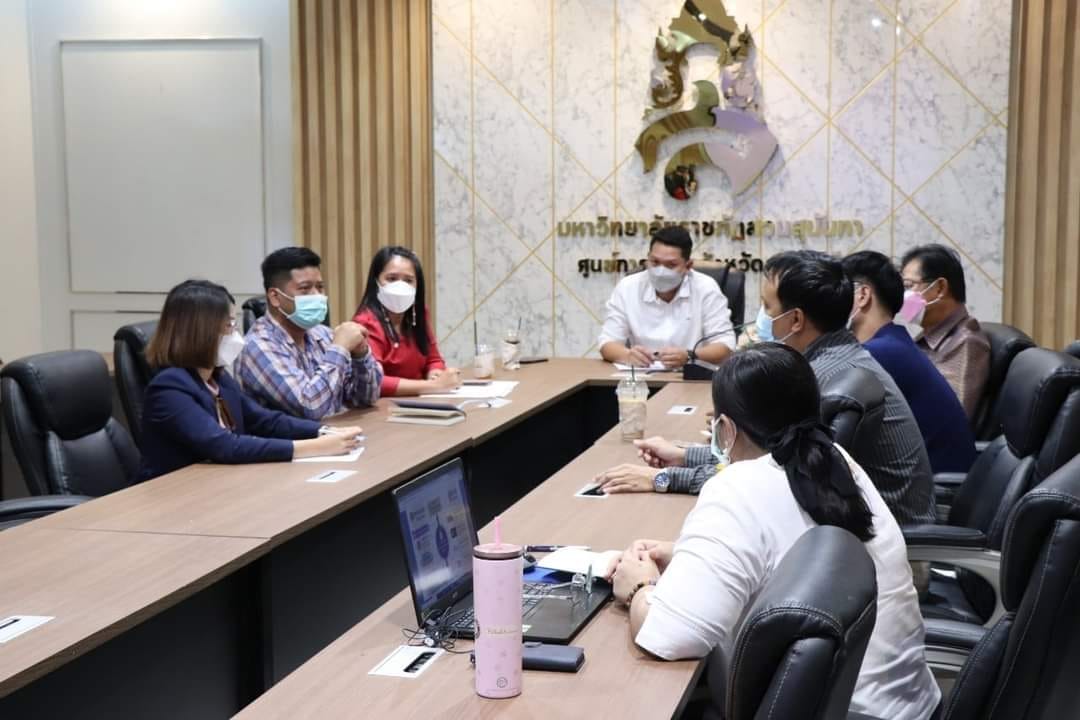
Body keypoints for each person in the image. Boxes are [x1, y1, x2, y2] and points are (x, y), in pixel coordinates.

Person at [607, 344, 940, 720]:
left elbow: (669, 637)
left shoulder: (737, 487)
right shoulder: (836, 462)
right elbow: (792, 547)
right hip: (910, 706)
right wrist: (686, 554)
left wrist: (638, 586)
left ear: (725, 430)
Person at [597, 250, 936, 528]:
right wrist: (684, 456)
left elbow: (775, 480)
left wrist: (665, 479)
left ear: (796, 320)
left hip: (882, 543)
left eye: (768, 307)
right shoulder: (838, 358)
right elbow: (771, 458)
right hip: (863, 528)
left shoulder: (819, 380)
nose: (761, 316)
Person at [139, 280, 363, 481]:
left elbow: (266, 421)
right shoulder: (169, 388)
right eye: (229, 325)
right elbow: (224, 445)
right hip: (175, 494)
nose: (236, 334)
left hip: (219, 483)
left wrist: (324, 431)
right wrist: (313, 447)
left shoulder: (219, 379)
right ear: (200, 332)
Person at [843, 251, 977, 474]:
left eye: (839, 291)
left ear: (863, 295)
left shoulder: (880, 353)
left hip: (934, 484)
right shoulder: (894, 341)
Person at [237, 247, 383, 419]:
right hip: (292, 436)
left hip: (335, 431)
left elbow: (365, 399)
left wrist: (360, 355)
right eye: (305, 288)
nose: (317, 295)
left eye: (320, 287)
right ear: (275, 297)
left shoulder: (323, 334)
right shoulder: (257, 346)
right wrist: (340, 349)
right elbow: (311, 407)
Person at [598, 226, 735, 369]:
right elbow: (607, 342)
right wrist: (627, 355)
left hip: (690, 377)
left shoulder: (706, 288)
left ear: (688, 266)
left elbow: (725, 346)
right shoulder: (628, 287)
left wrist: (690, 355)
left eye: (671, 265)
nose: (660, 271)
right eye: (655, 262)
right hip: (642, 376)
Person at [353, 246, 460, 396]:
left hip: (420, 401)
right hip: (382, 406)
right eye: (391, 279)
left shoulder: (418, 313)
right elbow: (374, 381)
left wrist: (435, 374)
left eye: (408, 280)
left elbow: (433, 359)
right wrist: (433, 385)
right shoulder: (365, 322)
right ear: (376, 281)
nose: (400, 286)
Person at [900, 244, 990, 421]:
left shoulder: (966, 342)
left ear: (940, 288)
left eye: (909, 286)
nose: (904, 296)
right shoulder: (928, 337)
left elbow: (950, 419)